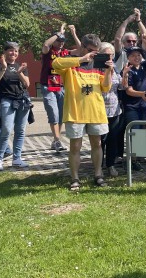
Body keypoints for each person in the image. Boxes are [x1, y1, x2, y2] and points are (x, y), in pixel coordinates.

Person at [52, 34, 114, 190]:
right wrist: (82, 59)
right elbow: (55, 63)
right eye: (91, 50)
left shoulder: (99, 65)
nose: (93, 54)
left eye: (96, 51)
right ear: (82, 47)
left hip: (96, 112)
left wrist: (109, 71)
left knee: (97, 144)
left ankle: (98, 175)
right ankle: (75, 178)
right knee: (75, 146)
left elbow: (106, 87)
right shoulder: (71, 64)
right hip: (75, 113)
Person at [0, 42, 31, 170]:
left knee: (20, 130)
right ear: (4, 52)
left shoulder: (21, 66)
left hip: (22, 100)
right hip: (6, 100)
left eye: (15, 51)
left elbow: (27, 84)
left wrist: (20, 73)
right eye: (10, 50)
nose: (13, 53)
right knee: (6, 130)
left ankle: (17, 159)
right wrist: (3, 68)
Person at [40, 24, 73, 153]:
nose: (60, 43)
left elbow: (81, 49)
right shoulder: (49, 52)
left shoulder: (65, 53)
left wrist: (73, 33)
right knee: (53, 113)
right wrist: (58, 33)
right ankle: (57, 140)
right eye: (58, 40)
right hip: (47, 85)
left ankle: (55, 140)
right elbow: (46, 45)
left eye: (62, 41)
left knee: (60, 115)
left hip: (60, 86)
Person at [98, 43, 124, 177]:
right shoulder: (96, 68)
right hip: (99, 109)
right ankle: (99, 166)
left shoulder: (116, 69)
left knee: (112, 139)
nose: (109, 57)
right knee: (100, 140)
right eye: (106, 54)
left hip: (114, 109)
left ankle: (110, 165)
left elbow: (120, 87)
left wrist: (124, 77)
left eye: (111, 55)